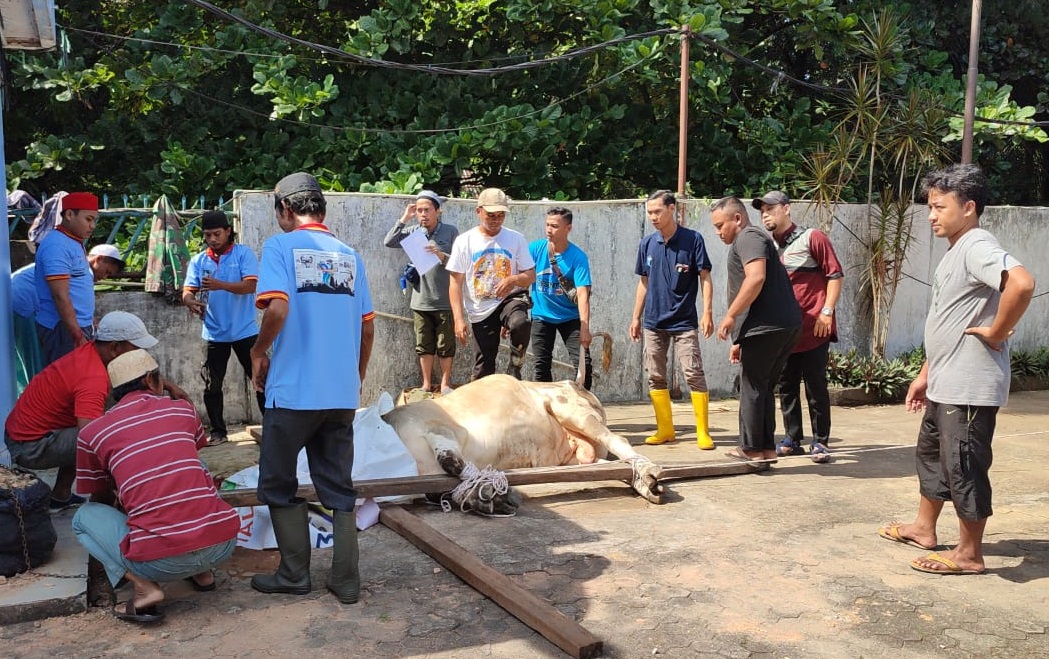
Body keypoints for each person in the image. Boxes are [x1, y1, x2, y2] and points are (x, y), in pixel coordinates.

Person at [877, 164, 1034, 576]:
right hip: (946, 381)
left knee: (963, 464)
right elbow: (948, 319)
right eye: (930, 206)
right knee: (933, 456)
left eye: (939, 206)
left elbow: (1021, 283)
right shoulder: (958, 250)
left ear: (968, 208)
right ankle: (924, 528)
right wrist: (926, 374)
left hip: (970, 385)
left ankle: (968, 554)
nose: (931, 215)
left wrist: (997, 331)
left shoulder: (977, 244)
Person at [249, 172, 375, 604]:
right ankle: (346, 581)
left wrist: (258, 351)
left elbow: (278, 307)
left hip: (293, 393)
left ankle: (293, 574)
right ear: (321, 208)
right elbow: (367, 329)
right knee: (338, 486)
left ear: (285, 209)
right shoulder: (350, 255)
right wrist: (354, 377)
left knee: (278, 482)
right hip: (340, 395)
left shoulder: (279, 247)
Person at [72, 349, 239, 624]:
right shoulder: (183, 409)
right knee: (197, 467)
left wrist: (125, 497)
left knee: (83, 517)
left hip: (158, 564)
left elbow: (99, 496)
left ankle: (144, 587)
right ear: (151, 380)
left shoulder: (93, 432)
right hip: (223, 544)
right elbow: (184, 457)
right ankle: (203, 572)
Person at [3, 311, 187, 511]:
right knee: (106, 434)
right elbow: (91, 439)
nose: (140, 355)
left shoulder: (94, 352)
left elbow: (134, 375)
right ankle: (103, 499)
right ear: (115, 348)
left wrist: (168, 385)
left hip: (27, 435)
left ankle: (61, 495)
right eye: (136, 349)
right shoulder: (92, 378)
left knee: (103, 425)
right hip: (29, 447)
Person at [755, 190, 844, 463]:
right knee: (787, 386)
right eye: (762, 211)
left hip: (814, 328)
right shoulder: (768, 247)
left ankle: (821, 442)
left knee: (815, 387)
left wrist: (826, 312)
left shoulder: (812, 238)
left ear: (787, 209)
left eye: (771, 209)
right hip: (786, 331)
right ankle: (793, 439)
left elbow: (835, 275)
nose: (766, 215)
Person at [710, 196, 801, 462]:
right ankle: (765, 449)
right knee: (761, 388)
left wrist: (730, 316)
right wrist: (739, 337)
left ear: (737, 219)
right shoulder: (753, 237)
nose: (717, 232)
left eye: (720, 225)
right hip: (779, 326)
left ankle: (750, 448)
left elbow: (756, 277)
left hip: (767, 327)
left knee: (751, 387)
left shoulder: (748, 237)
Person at [628, 190, 715, 449]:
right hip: (653, 322)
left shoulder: (693, 240)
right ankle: (665, 429)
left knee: (693, 372)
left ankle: (703, 431)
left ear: (672, 209)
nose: (653, 217)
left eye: (657, 211)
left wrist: (708, 311)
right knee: (655, 375)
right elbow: (643, 282)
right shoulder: (647, 244)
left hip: (684, 321)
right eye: (650, 212)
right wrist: (635, 317)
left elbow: (705, 277)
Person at [182, 210, 265, 446]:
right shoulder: (199, 260)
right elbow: (188, 290)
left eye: (217, 234)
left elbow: (251, 286)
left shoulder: (243, 254)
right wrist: (189, 301)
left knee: (260, 378)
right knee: (212, 384)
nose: (212, 239)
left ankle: (272, 425)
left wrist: (220, 285)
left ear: (228, 231)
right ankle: (218, 431)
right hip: (214, 332)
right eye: (207, 235)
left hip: (245, 330)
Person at [447, 187, 536, 380]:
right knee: (484, 367)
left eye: (500, 215)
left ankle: (515, 366)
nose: (495, 220)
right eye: (490, 215)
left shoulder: (515, 238)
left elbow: (530, 275)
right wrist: (458, 319)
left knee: (521, 323)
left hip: (509, 299)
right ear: (478, 211)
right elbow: (455, 283)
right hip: (480, 308)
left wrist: (513, 280)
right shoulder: (465, 241)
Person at [12, 244, 125, 394]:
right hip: (25, 304)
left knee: (19, 360)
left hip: (13, 300)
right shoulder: (83, 272)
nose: (104, 277)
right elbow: (66, 300)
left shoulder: (72, 264)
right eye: (107, 271)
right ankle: (30, 398)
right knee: (32, 359)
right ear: (99, 259)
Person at [383, 190, 460, 394]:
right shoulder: (413, 231)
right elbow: (389, 241)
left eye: (427, 210)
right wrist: (404, 218)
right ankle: (426, 383)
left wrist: (441, 255)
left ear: (438, 211)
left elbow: (461, 263)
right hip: (420, 300)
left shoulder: (451, 232)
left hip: (445, 300)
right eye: (419, 211)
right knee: (423, 344)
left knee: (446, 345)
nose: (423, 214)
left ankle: (445, 384)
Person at [34, 192, 102, 365]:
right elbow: (60, 296)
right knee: (65, 385)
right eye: (88, 219)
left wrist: (89, 318)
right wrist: (77, 334)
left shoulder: (73, 242)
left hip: (75, 327)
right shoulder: (57, 246)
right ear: (70, 214)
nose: (92, 225)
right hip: (62, 329)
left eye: (94, 220)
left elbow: (77, 286)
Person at [529, 207, 593, 388]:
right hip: (541, 316)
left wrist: (584, 327)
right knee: (541, 367)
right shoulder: (535, 249)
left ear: (568, 228)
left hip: (570, 318)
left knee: (584, 365)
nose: (549, 229)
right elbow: (523, 276)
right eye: (547, 225)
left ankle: (582, 405)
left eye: (555, 226)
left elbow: (582, 294)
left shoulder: (578, 257)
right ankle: (544, 410)